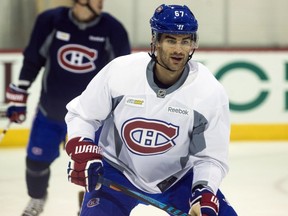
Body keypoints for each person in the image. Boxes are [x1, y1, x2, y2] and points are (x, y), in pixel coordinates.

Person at [64, 4, 237, 216]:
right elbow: (83, 114)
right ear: (155, 41)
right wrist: (81, 145)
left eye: (185, 41)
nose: (179, 49)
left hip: (178, 179)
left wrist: (204, 191)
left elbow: (210, 156)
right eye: (171, 40)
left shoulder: (208, 92)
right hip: (117, 172)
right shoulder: (121, 72)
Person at [5, 0, 130, 215]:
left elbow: (123, 75)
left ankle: (88, 207)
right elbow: (33, 59)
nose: (101, 3)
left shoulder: (113, 29)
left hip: (92, 119)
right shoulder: (51, 21)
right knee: (35, 163)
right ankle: (37, 198)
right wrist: (20, 94)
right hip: (50, 113)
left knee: (92, 170)